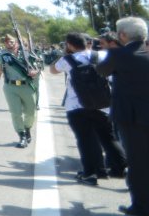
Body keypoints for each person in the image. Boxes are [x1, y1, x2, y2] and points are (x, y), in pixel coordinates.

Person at [50, 32, 126, 184]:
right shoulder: (102, 55)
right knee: (108, 138)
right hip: (102, 104)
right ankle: (121, 168)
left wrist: (65, 53)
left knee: (86, 139)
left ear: (70, 45)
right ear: (87, 42)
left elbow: (53, 70)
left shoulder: (67, 59)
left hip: (76, 106)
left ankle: (91, 173)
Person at [97, 17, 149, 216]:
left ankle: (141, 207)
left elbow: (101, 70)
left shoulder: (118, 55)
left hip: (131, 117)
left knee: (137, 163)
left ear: (123, 35)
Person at [0, 34, 40, 148]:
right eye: (7, 42)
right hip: (11, 87)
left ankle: (27, 128)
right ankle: (22, 135)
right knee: (15, 113)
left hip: (27, 86)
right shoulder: (2, 56)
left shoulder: (27, 55)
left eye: (12, 42)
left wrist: (35, 72)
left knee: (31, 112)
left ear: (17, 43)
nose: (9, 44)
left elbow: (38, 67)